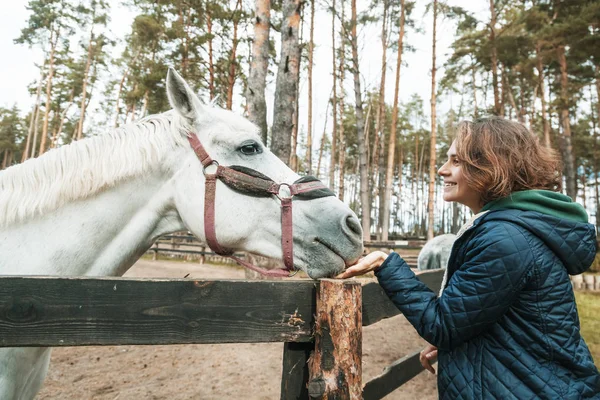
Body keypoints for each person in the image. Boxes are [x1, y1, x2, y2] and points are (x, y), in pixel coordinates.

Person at [338, 117, 600, 399]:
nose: (442, 170)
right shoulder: (513, 230)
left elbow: (442, 325)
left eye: (456, 161)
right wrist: (466, 347)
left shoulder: (505, 239)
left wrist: (384, 263)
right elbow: (507, 316)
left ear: (492, 166)